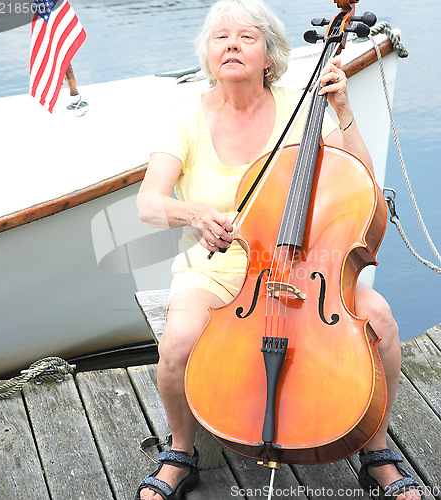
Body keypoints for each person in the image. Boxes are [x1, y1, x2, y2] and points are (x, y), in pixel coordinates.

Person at [136, 1, 423, 499]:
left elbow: (362, 185)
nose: (231, 45)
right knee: (178, 340)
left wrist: (344, 111)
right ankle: (181, 451)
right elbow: (148, 204)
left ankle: (375, 451)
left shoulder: (300, 106)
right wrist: (195, 214)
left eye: (246, 37)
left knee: (380, 321)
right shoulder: (185, 118)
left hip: (305, 268)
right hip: (217, 267)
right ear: (207, 53)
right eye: (220, 37)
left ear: (270, 55)